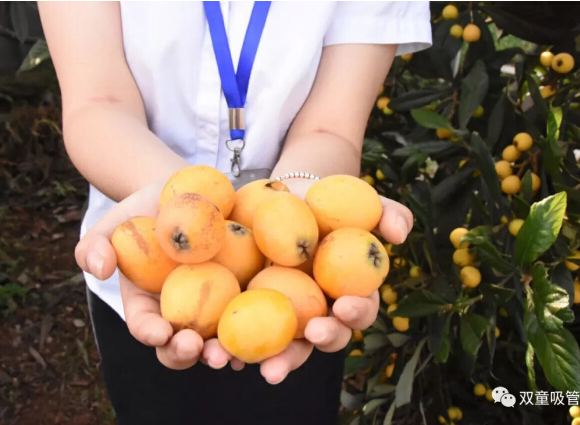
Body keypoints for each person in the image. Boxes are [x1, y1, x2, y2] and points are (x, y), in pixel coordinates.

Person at [38, 2, 432, 424]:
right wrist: (187, 204)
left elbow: (330, 128)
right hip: (143, 268)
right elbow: (98, 102)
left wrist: (296, 195)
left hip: (302, 291)